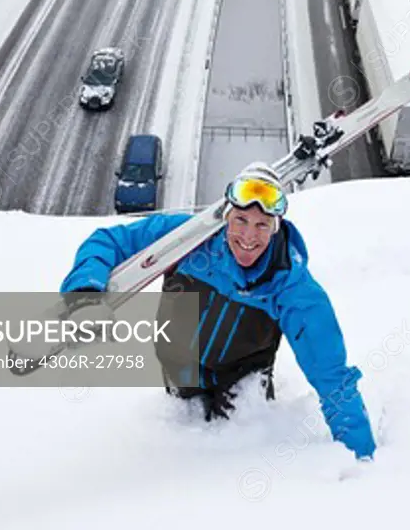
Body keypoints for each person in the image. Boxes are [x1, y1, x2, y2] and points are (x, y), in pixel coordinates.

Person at [60, 162, 376, 460]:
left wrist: (359, 454)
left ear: (275, 227)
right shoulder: (187, 239)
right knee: (177, 439)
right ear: (226, 216)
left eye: (261, 225)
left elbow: (331, 376)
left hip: (241, 382)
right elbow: (110, 241)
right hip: (179, 367)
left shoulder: (291, 286)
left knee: (228, 457)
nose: (249, 237)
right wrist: (85, 291)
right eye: (240, 220)